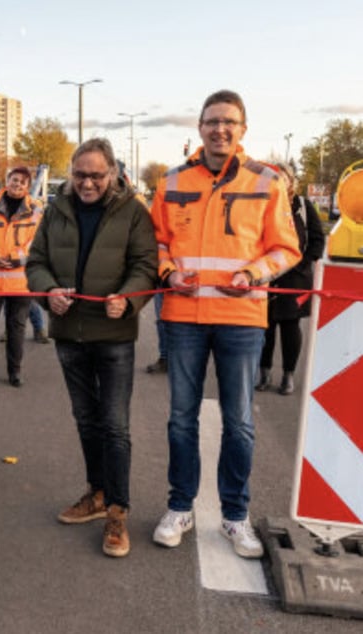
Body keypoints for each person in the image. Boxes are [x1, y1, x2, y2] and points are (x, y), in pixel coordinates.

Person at [150, 90, 301, 559]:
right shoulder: (171, 180)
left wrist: (253, 273)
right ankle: (180, 507)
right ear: (199, 128)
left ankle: (236, 517)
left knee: (239, 424)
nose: (220, 129)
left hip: (240, 317)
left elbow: (286, 248)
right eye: (212, 121)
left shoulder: (267, 181)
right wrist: (168, 272)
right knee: (181, 420)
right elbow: (154, 243)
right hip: (184, 317)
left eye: (229, 122)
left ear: (243, 129)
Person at [26, 138, 157, 557]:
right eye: (80, 174)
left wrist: (129, 298)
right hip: (69, 334)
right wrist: (47, 292)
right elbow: (35, 262)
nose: (86, 183)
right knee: (86, 419)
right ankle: (97, 494)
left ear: (113, 173)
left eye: (96, 176)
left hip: (114, 336)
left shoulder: (133, 211)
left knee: (114, 425)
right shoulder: (55, 210)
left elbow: (145, 266)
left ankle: (118, 511)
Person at [256, 163, 325, 395]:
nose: (276, 180)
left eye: (281, 177)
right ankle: (264, 373)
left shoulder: (304, 206)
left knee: (290, 327)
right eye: (272, 177)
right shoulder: (258, 204)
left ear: (290, 181)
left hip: (295, 279)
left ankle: (288, 375)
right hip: (266, 276)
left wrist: (303, 264)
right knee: (264, 327)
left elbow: (317, 240)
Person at [0, 165, 43, 387]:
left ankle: (14, 371)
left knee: (17, 328)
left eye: (22, 182)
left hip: (20, 282)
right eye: (14, 180)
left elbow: (37, 242)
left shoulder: (36, 209)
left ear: (28, 186)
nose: (17, 185)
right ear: (8, 180)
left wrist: (16, 257)